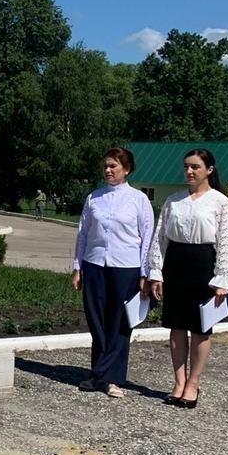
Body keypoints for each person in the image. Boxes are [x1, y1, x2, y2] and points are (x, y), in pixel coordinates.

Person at [148, 148, 228, 409]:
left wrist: (222, 278)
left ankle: (193, 384)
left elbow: (227, 241)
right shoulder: (173, 201)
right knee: (176, 327)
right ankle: (178, 381)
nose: (189, 171)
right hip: (175, 265)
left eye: (195, 167)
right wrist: (156, 272)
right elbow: (159, 238)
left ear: (209, 170)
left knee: (200, 329)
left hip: (203, 267)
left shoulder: (220, 202)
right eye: (186, 166)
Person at [70, 147, 154, 398]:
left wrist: (144, 273)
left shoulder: (138, 200)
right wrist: (77, 267)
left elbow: (147, 237)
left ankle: (110, 378)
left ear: (126, 169)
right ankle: (99, 372)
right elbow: (83, 234)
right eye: (106, 166)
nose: (108, 170)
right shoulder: (94, 198)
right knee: (96, 319)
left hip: (125, 267)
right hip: (95, 264)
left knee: (119, 322)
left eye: (113, 166)